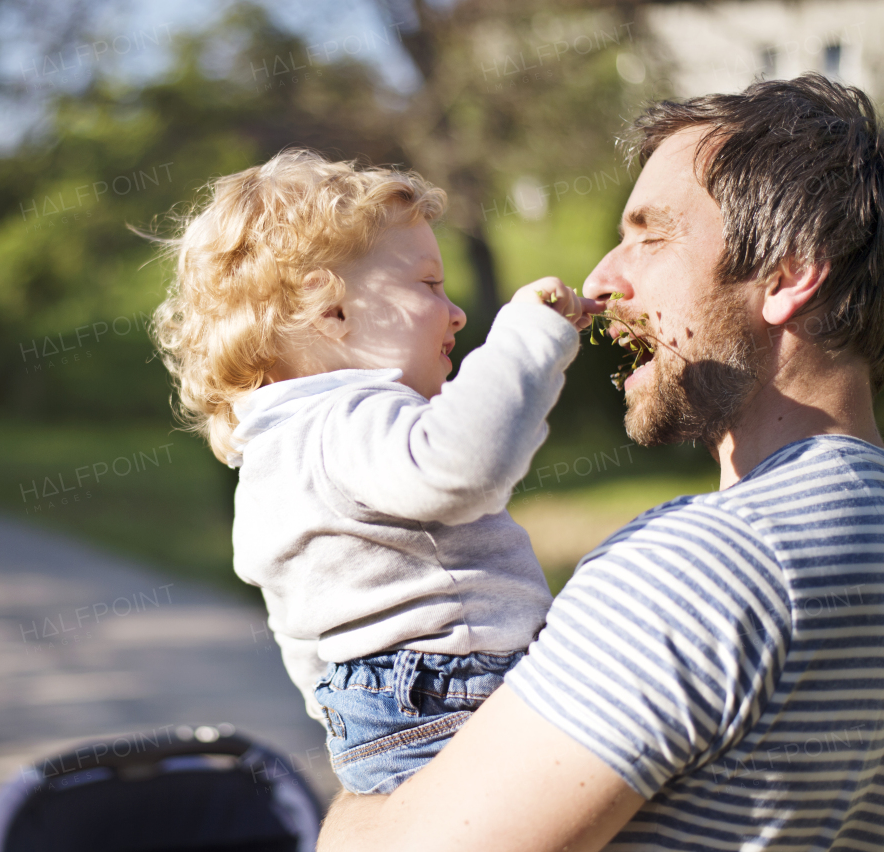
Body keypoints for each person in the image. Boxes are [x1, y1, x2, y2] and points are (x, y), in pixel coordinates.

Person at [317, 73, 884, 851]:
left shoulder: (705, 566)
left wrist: (355, 806)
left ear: (788, 273)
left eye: (650, 236)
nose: (600, 282)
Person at [150, 149, 601, 794]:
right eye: (429, 285)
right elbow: (465, 465)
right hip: (456, 694)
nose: (457, 312)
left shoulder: (273, 453)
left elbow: (299, 623)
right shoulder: (353, 414)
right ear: (329, 311)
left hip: (380, 725)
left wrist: (347, 716)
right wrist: (528, 340)